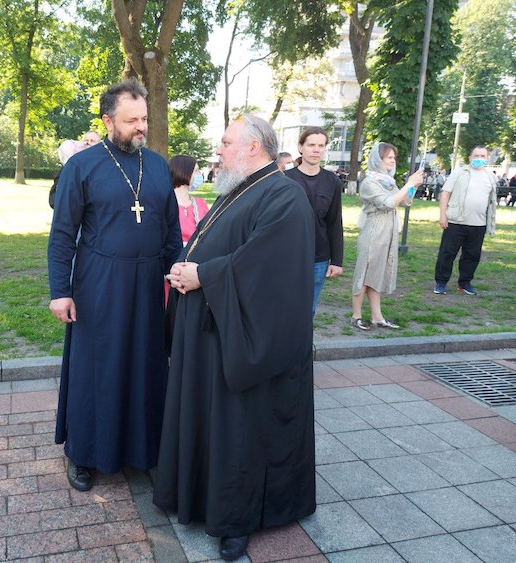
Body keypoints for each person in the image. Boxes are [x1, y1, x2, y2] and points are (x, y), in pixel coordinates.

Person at [153, 114, 316, 561]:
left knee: (239, 427)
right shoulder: (240, 188)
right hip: (210, 328)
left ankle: (237, 516)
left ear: (253, 148)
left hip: (244, 338)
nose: (218, 150)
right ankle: (200, 492)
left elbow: (266, 267)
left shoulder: (283, 196)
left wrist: (203, 274)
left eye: (226, 142)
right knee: (211, 421)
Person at [47, 79, 181, 493]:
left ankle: (143, 452)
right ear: (108, 121)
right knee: (95, 369)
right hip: (98, 284)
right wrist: (60, 290)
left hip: (145, 284)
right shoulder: (82, 167)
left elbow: (171, 231)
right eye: (131, 120)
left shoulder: (157, 165)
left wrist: (177, 272)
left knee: (145, 365)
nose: (141, 127)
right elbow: (62, 234)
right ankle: (83, 453)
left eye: (144, 118)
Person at [350, 142, 424, 330]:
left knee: (378, 274)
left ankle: (377, 317)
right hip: (373, 232)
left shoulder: (388, 181)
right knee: (364, 273)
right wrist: (408, 184)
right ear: (378, 159)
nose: (393, 160)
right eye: (389, 157)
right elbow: (389, 203)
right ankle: (356, 316)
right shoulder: (370, 182)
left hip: (388, 232)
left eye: (394, 157)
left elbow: (406, 201)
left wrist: (413, 186)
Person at [285, 127, 344, 318]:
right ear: (300, 147)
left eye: (321, 145)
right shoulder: (285, 180)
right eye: (311, 145)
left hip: (318, 258)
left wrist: (336, 260)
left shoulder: (332, 181)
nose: (316, 150)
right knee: (286, 308)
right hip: (288, 256)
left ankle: (302, 348)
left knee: (307, 311)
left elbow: (335, 222)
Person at [433, 146, 497, 295]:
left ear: (487, 158)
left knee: (472, 255)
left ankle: (465, 283)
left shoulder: (490, 176)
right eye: (476, 155)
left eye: (482, 156)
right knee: (447, 253)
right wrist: (443, 215)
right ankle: (441, 282)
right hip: (456, 221)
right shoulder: (460, 172)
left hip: (478, 224)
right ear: (470, 157)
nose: (479, 158)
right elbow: (445, 193)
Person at [48, 131, 101, 209]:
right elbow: (54, 199)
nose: (88, 143)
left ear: (99, 145)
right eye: (86, 140)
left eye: (92, 141)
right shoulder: (70, 166)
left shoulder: (102, 168)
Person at [169, 155, 209, 245]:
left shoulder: (201, 204)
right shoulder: (166, 204)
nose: (199, 175)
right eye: (196, 171)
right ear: (184, 172)